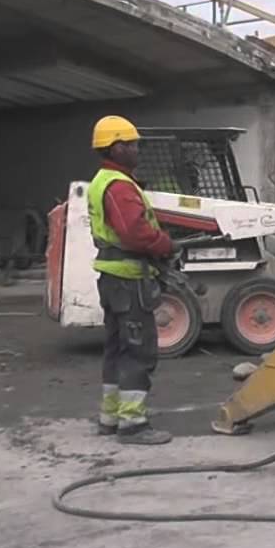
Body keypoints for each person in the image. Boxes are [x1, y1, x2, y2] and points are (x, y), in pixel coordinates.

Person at [88, 115, 176, 445]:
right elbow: (136, 233)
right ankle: (133, 424)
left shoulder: (102, 181)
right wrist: (165, 244)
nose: (138, 149)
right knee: (138, 352)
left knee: (116, 349)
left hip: (112, 280)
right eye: (133, 144)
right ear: (117, 147)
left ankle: (110, 417)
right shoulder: (120, 186)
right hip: (129, 280)